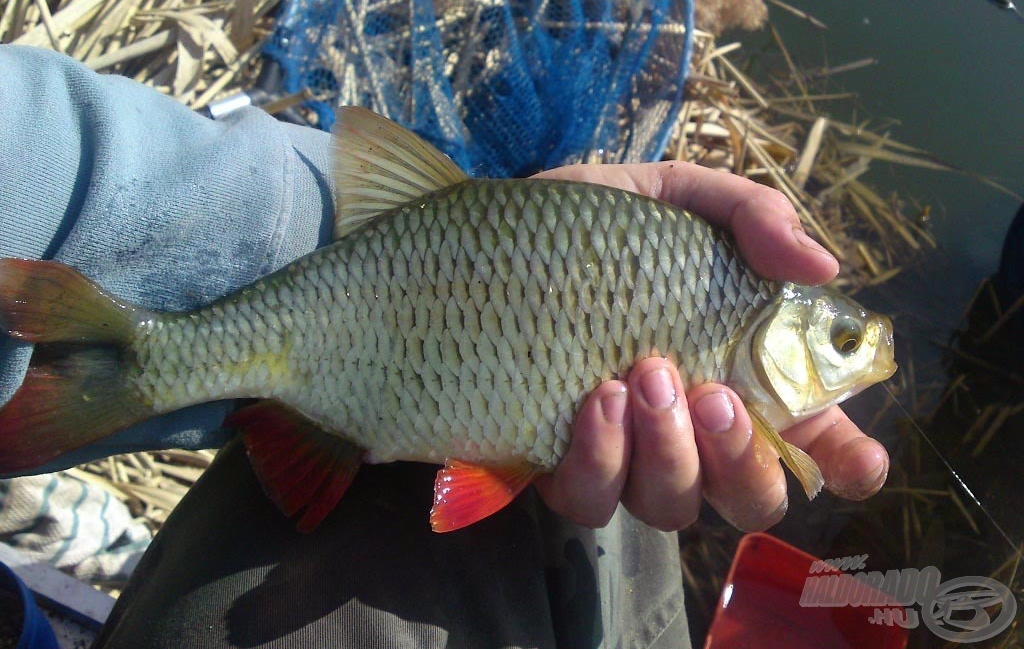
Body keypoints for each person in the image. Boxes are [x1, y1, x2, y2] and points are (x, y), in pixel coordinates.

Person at [0, 44, 889, 648]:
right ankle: (136, 360)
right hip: (374, 347)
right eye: (843, 341)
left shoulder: (712, 284)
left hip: (363, 335)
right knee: (599, 543)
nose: (855, 354)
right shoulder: (713, 297)